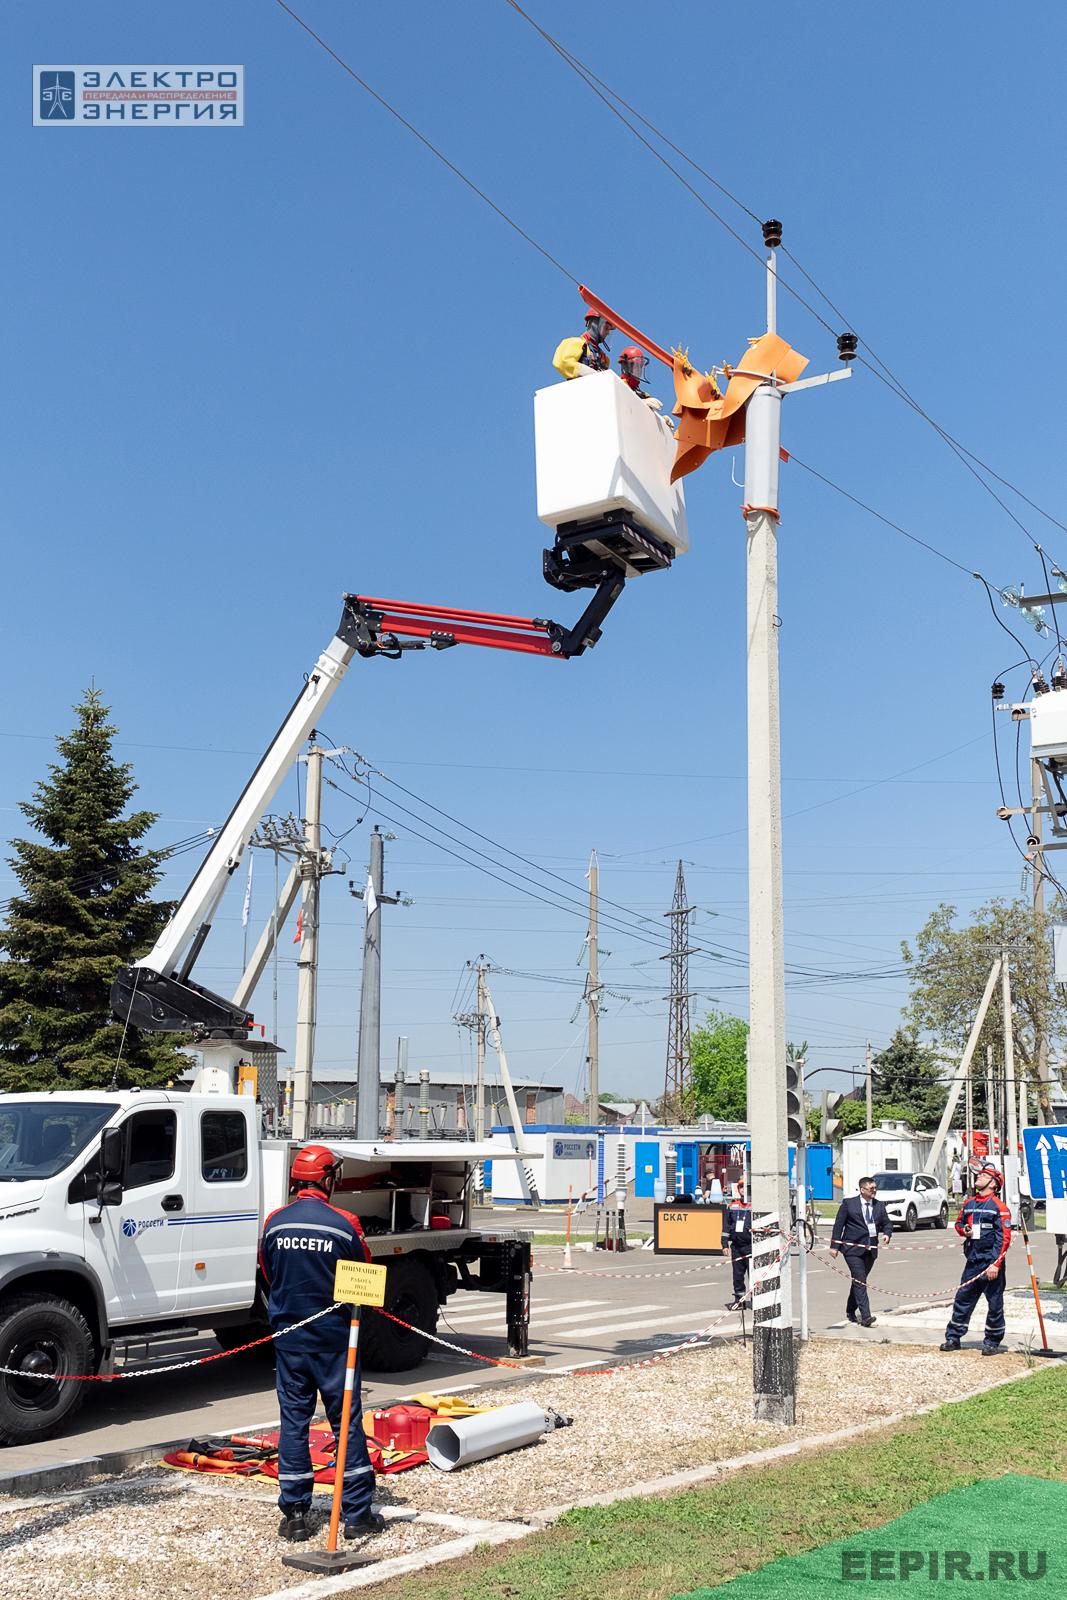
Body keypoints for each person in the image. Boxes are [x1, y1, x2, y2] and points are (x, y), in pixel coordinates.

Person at [260, 1143, 384, 1545]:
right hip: (335, 1344)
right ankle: (356, 1516)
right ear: (328, 1179)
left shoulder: (275, 1223)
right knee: (345, 1423)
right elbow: (362, 1274)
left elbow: (267, 1272)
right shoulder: (344, 1223)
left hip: (289, 1342)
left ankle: (295, 1515)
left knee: (294, 1424)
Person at [940, 1164, 1012, 1355]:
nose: (978, 1177)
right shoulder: (969, 1203)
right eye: (979, 1175)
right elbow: (959, 1223)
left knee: (994, 1304)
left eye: (983, 1176)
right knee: (962, 1300)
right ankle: (953, 1338)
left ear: (993, 1184)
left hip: (991, 1265)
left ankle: (992, 1341)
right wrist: (964, 1230)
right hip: (972, 1262)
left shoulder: (999, 1207)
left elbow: (1003, 1239)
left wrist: (995, 1264)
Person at [830, 1176, 892, 1327]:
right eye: (872, 1189)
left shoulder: (879, 1206)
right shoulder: (849, 1204)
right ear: (863, 1190)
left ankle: (850, 1310)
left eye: (875, 1188)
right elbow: (839, 1225)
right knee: (860, 1280)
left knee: (859, 1281)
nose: (874, 1191)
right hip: (852, 1249)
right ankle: (866, 1317)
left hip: (870, 1250)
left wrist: (887, 1233)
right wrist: (834, 1246)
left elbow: (887, 1223)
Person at [552, 309, 614, 379]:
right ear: (595, 324)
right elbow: (562, 363)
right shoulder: (575, 343)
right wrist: (589, 373)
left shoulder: (604, 358)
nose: (608, 333)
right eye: (606, 328)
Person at [725, 1179, 752, 1311]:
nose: (743, 1190)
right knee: (737, 1276)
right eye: (741, 1187)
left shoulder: (755, 1205)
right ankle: (740, 1301)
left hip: (751, 1246)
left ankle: (757, 1301)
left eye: (745, 1187)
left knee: (754, 1275)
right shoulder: (732, 1206)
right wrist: (724, 1244)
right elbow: (726, 1227)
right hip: (736, 1246)